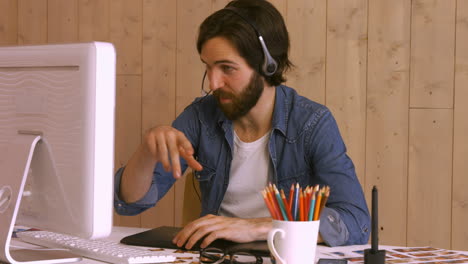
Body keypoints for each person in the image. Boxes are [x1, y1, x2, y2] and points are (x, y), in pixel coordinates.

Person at [114, 0, 370, 249]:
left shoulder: (312, 123)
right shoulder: (200, 117)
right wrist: (147, 152)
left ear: (267, 65)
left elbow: (355, 222)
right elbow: (130, 203)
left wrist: (260, 226)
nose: (213, 83)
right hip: (217, 256)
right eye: (208, 67)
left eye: (227, 68)